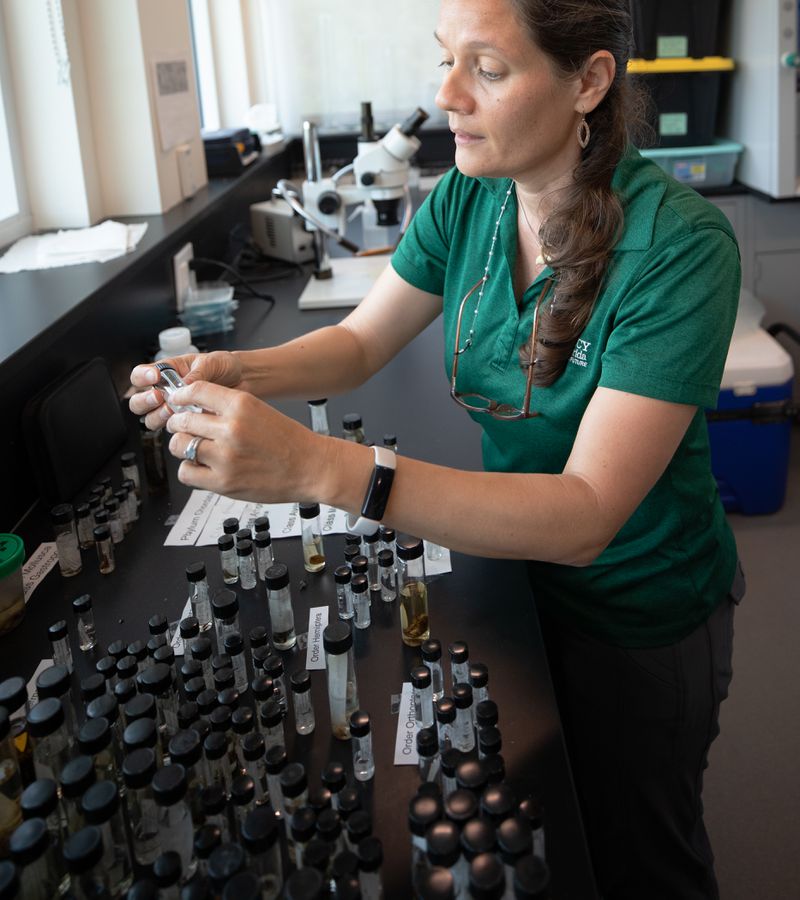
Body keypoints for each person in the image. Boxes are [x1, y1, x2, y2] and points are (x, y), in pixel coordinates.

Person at [130, 1, 742, 896]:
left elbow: (584, 516)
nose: (446, 94)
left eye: (487, 70)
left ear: (590, 81)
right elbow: (361, 342)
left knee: (641, 852)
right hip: (510, 582)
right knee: (549, 846)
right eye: (445, 60)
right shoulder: (471, 195)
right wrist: (230, 368)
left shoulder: (680, 248)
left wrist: (317, 467)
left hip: (637, 616)